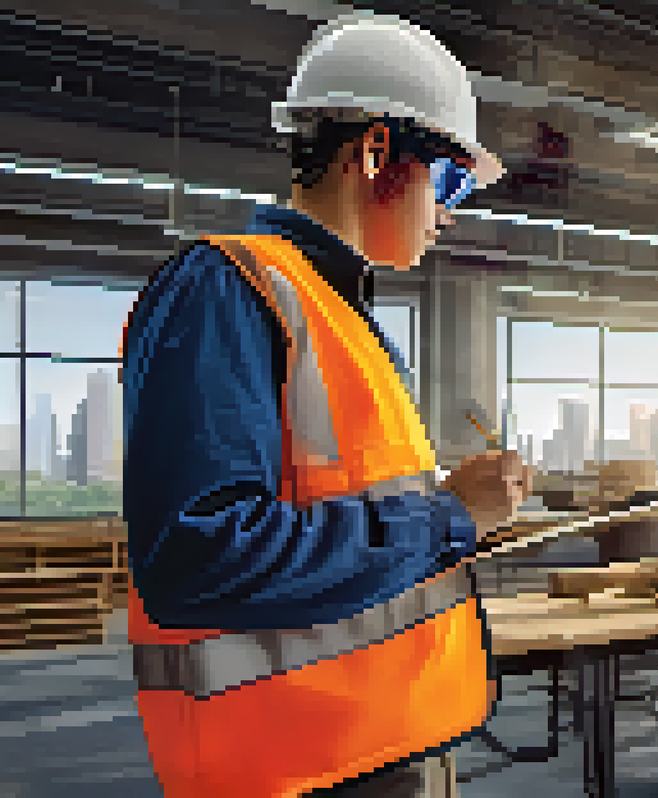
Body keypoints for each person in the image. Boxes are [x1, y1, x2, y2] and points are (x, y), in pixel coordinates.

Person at [119, 12, 526, 798]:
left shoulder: (340, 318)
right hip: (298, 773)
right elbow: (198, 557)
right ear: (376, 152)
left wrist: (454, 504)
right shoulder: (226, 289)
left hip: (381, 750)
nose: (449, 211)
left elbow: (352, 506)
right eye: (449, 180)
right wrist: (449, 518)